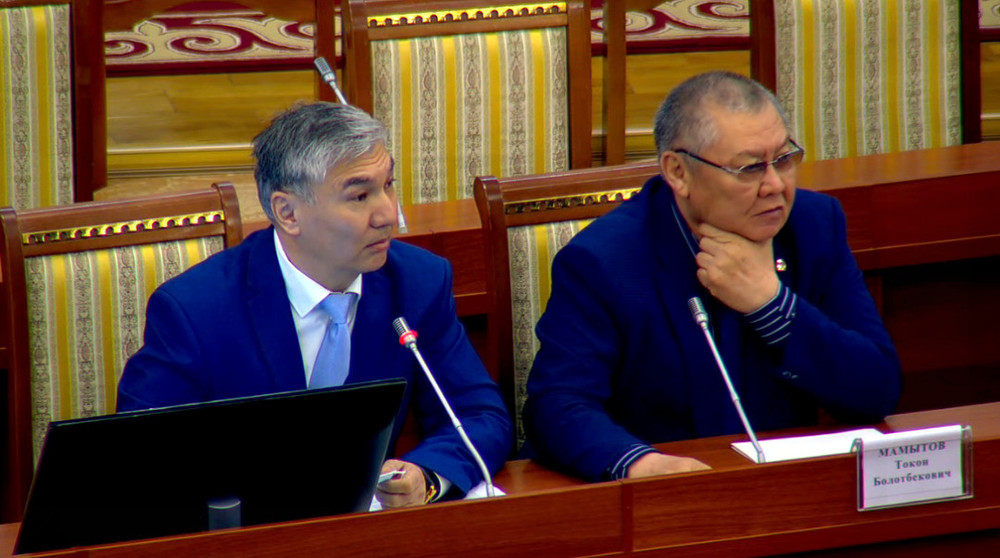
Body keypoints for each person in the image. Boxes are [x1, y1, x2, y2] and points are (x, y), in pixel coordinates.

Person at [117, 102, 512, 507]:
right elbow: (140, 455)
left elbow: (479, 416)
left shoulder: (416, 282)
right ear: (288, 212)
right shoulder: (196, 310)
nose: (387, 214)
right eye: (360, 196)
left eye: (388, 185)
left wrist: (425, 477)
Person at [523, 71, 901, 483]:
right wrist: (639, 463)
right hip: (671, 495)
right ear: (678, 173)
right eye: (750, 168)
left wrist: (771, 305)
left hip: (789, 487)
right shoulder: (603, 261)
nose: (775, 185)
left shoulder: (814, 226)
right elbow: (556, 405)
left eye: (783, 159)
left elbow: (877, 390)